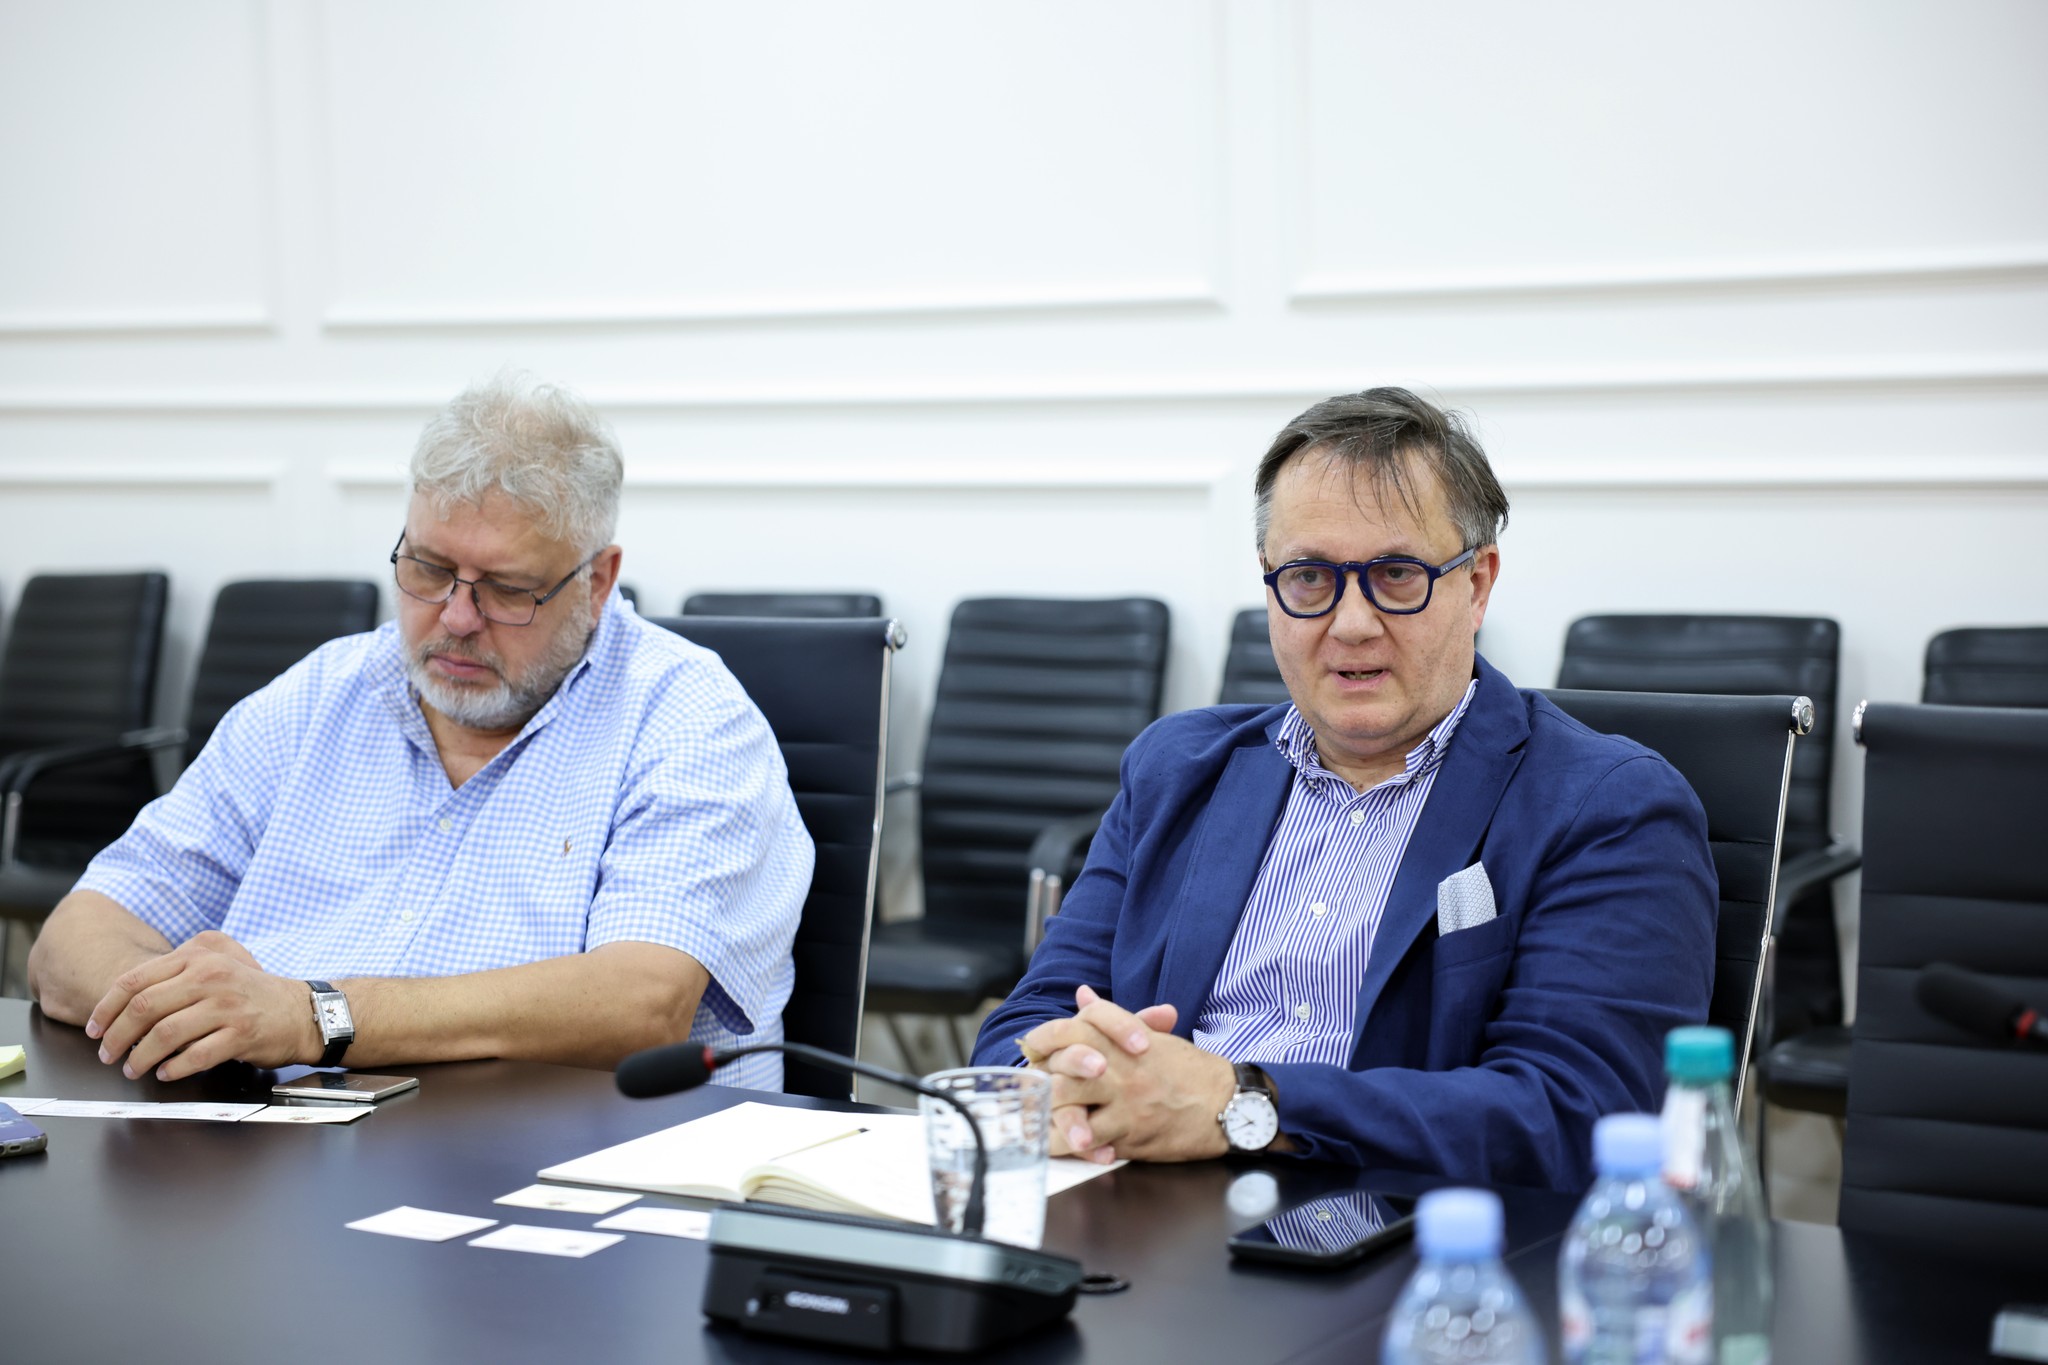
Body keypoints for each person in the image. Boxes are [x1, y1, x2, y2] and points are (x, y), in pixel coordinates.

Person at [973, 387, 1716, 1191]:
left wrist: (1240, 1101)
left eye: (1396, 575)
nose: (1352, 622)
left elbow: (1578, 1114)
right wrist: (1069, 1081)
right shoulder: (1177, 768)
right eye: (1309, 576)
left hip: (1399, 1230)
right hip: (1133, 1204)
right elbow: (1025, 1028)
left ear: (1477, 584)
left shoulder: (1607, 806)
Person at [27, 372, 813, 1090]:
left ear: (597, 580)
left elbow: (641, 1004)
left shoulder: (689, 718)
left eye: (507, 589)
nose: (457, 618)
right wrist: (188, 1012)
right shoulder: (320, 695)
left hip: (563, 1159)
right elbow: (73, 940)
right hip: (274, 1146)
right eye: (429, 569)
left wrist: (313, 1015)